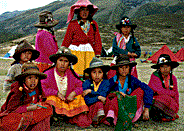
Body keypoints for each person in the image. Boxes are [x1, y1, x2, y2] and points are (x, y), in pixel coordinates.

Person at [41, 47, 90, 128]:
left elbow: (80, 87)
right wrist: (56, 93)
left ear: (69, 63)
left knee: (79, 98)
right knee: (51, 99)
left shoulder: (72, 74)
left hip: (69, 100)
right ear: (56, 61)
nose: (62, 64)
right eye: (60, 60)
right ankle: (57, 114)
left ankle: (67, 115)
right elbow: (43, 88)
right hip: (57, 101)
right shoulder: (48, 74)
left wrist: (73, 93)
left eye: (66, 61)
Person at [105, 55, 153, 130]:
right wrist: (116, 93)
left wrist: (146, 108)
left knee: (140, 91)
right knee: (113, 97)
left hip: (129, 107)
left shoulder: (132, 80)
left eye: (126, 67)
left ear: (130, 68)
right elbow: (105, 93)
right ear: (117, 69)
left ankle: (130, 118)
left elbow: (148, 89)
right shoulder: (112, 81)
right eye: (121, 67)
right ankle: (114, 118)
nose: (124, 70)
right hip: (117, 108)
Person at [0, 62, 52, 131]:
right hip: (17, 113)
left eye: (36, 78)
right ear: (24, 79)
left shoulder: (37, 87)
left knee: (48, 108)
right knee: (10, 121)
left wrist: (38, 104)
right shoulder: (18, 89)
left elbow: (39, 99)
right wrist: (28, 108)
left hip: (32, 111)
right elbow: (12, 109)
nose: (33, 81)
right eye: (30, 78)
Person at [62, 0, 102, 76]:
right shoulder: (73, 24)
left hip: (89, 52)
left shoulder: (93, 24)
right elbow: (67, 39)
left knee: (89, 73)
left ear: (89, 12)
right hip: (75, 51)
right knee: (76, 73)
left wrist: (97, 53)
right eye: (82, 10)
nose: (84, 12)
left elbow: (97, 39)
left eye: (87, 10)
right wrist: (63, 50)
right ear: (78, 12)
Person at [148, 54, 180, 122]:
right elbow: (159, 91)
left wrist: (176, 107)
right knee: (164, 98)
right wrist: (172, 93)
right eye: (162, 66)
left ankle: (168, 114)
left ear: (171, 67)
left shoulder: (173, 78)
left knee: (171, 101)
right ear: (159, 68)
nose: (165, 69)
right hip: (154, 100)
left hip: (168, 100)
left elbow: (176, 93)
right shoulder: (155, 76)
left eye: (167, 66)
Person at [82, 57, 110, 127]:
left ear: (103, 73)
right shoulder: (86, 83)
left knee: (104, 102)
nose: (97, 75)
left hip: (104, 107)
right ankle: (96, 119)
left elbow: (103, 95)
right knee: (98, 103)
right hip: (91, 108)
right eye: (94, 72)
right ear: (90, 73)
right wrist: (98, 97)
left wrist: (91, 92)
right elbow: (87, 100)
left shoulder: (106, 82)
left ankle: (100, 118)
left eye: (100, 72)